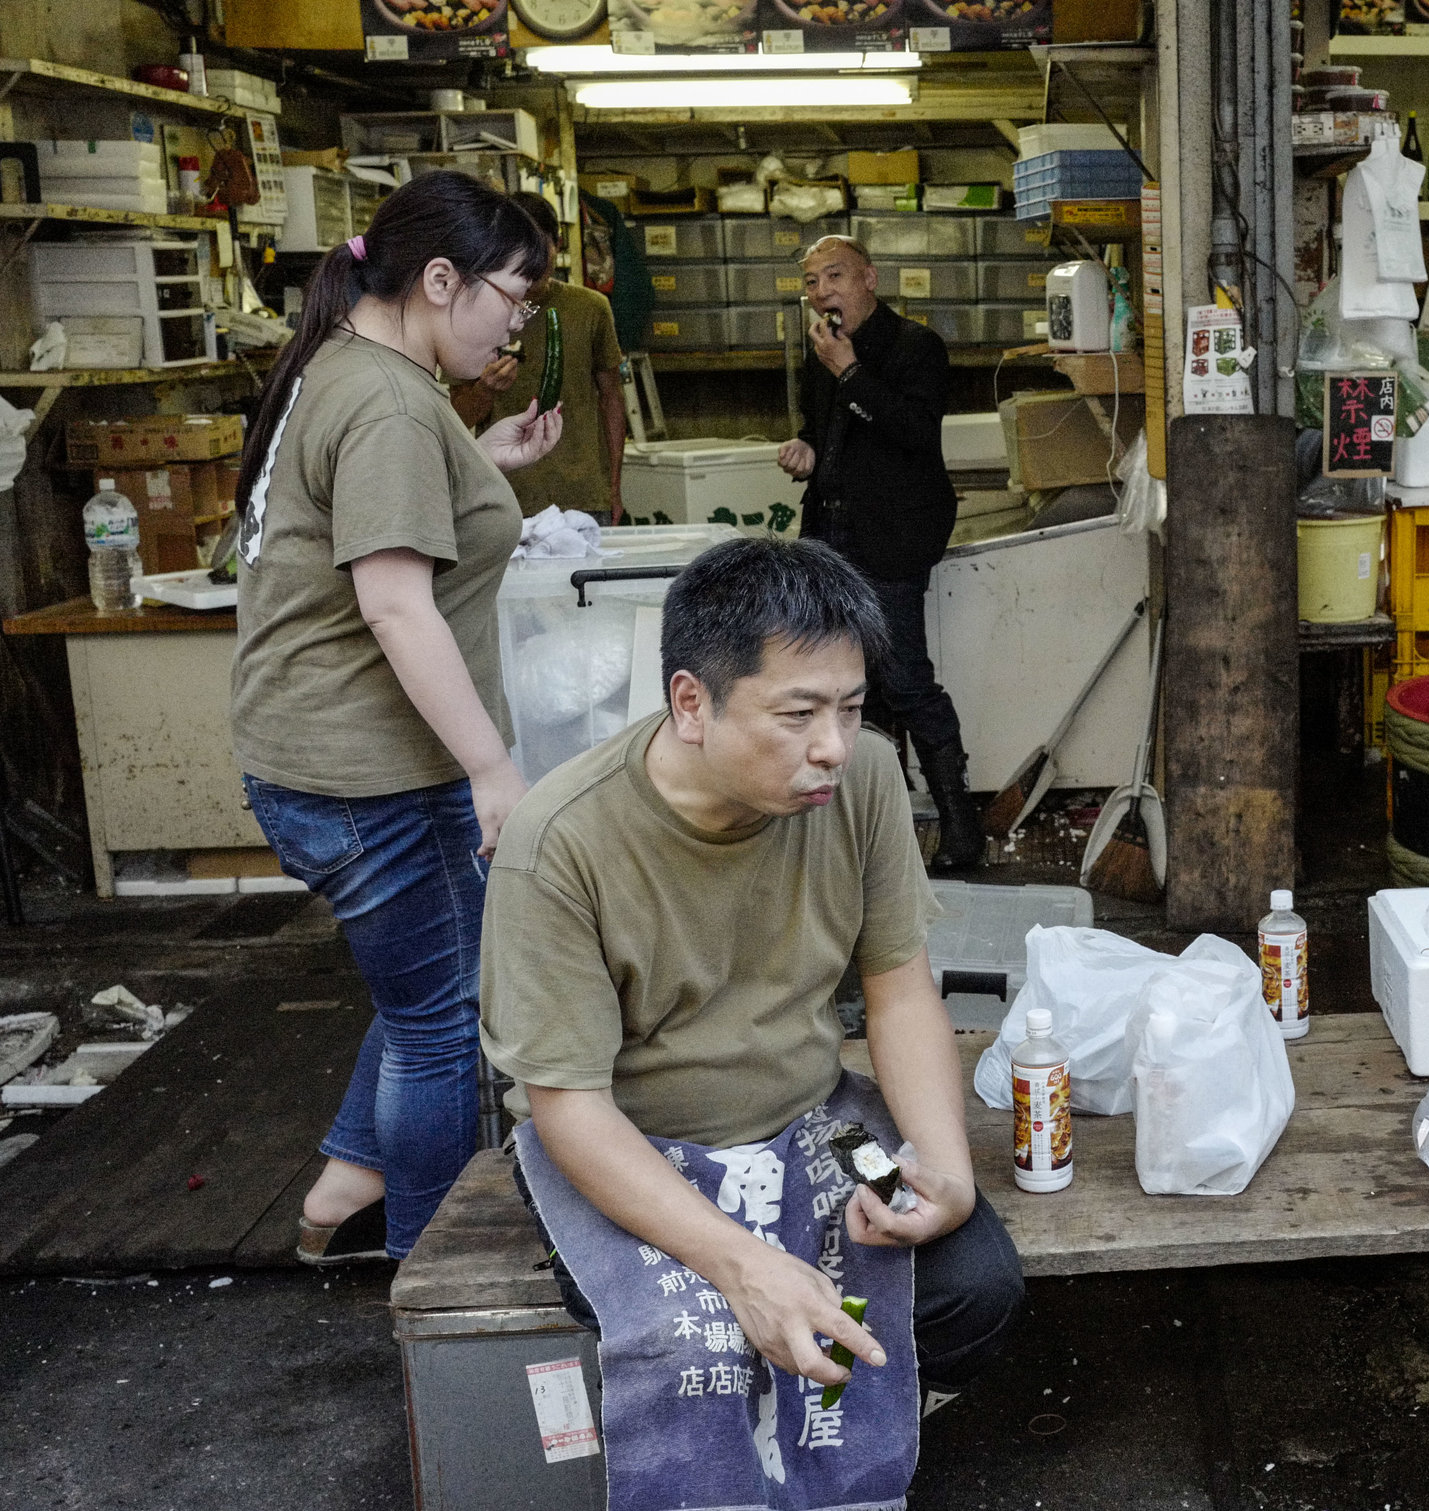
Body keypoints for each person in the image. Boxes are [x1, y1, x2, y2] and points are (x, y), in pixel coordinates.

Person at [479, 538, 1022, 1493]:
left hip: (821, 1118)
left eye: (851, 708)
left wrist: (942, 1167)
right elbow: (567, 1103)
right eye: (798, 712)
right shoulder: (559, 844)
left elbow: (898, 987)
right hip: (642, 1142)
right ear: (692, 703)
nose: (832, 745)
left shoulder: (863, 781)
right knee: (696, 1328)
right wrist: (740, 1264)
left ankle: (837, 1437)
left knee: (972, 1283)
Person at [229, 171, 562, 1265]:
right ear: (437, 279)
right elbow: (391, 598)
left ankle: (343, 1188)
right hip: (368, 779)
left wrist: (487, 460)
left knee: (435, 975)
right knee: (444, 1027)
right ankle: (429, 1268)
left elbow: (387, 507)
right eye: (513, 296)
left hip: (336, 764)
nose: (518, 324)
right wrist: (491, 766)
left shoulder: (365, 367)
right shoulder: (385, 402)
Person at [777, 234, 982, 872]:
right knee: (826, 679)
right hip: (830, 536)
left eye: (833, 277)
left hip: (894, 535)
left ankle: (961, 827)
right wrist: (805, 450)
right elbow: (823, 432)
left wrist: (850, 372)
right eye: (812, 283)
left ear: (869, 277)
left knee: (904, 680)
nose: (822, 293)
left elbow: (915, 433)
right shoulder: (823, 351)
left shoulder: (917, 347)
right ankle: (852, 826)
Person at [450, 192, 630, 521]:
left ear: (557, 244)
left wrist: (613, 487)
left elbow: (612, 398)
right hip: (504, 497)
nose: (530, 262)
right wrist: (486, 390)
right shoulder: (473, 317)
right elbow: (457, 421)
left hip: (584, 496)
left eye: (539, 247)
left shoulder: (591, 308)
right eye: (518, 251)